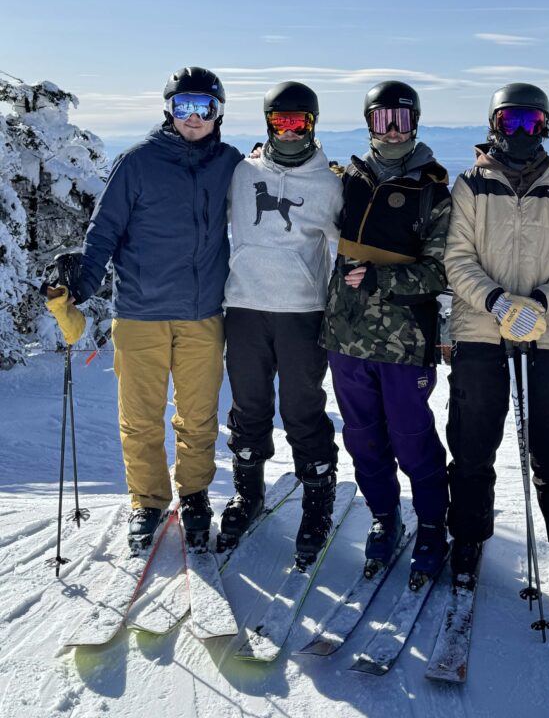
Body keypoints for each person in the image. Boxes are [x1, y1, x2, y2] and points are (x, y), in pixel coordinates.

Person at [45, 67, 242, 551]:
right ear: (168, 110)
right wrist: (81, 288)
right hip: (139, 313)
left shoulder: (232, 164)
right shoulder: (137, 163)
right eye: (183, 107)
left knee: (198, 417)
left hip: (202, 315)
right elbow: (103, 231)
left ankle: (194, 494)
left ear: (218, 113)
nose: (193, 118)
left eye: (203, 108)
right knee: (140, 418)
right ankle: (148, 501)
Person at [443, 83, 549, 596]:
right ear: (494, 125)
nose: (522, 132)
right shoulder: (470, 186)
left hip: (545, 338)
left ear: (546, 126)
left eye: (532, 123)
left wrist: (539, 304)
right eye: (512, 122)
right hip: (481, 332)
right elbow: (456, 258)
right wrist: (496, 302)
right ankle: (467, 537)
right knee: (471, 443)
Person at [321, 81, 452, 584]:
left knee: (412, 436)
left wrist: (385, 278)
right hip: (345, 336)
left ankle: (433, 525)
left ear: (415, 122)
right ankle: (383, 514)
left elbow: (443, 270)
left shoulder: (433, 191)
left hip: (403, 341)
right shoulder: (345, 180)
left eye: (401, 119)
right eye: (381, 120)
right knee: (363, 437)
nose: (392, 130)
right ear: (368, 123)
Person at [222, 81, 342, 564]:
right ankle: (248, 494)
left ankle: (317, 501)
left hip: (301, 311)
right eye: (280, 121)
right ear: (268, 122)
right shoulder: (240, 172)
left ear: (313, 123)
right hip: (245, 307)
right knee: (249, 407)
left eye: (299, 121)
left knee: (301, 408)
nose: (290, 130)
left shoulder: (330, 185)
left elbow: (350, 243)